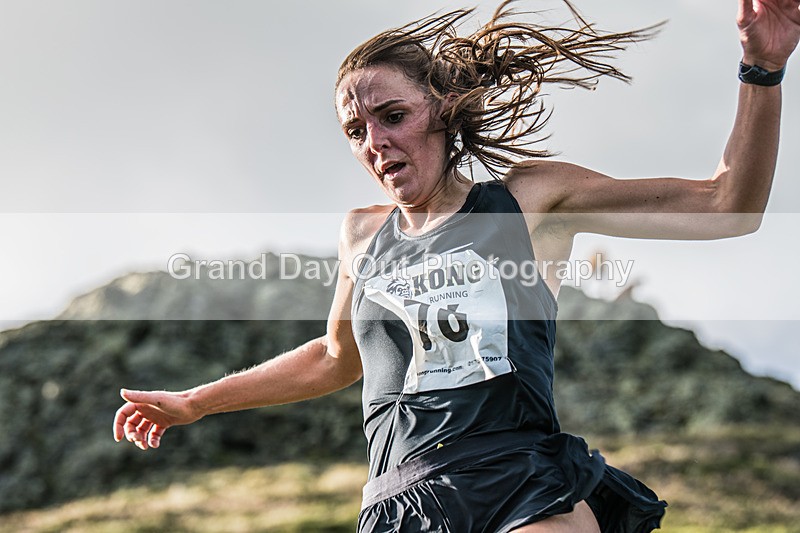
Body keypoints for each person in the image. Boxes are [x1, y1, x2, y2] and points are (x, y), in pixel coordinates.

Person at [113, 1, 799, 531]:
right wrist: (197, 401)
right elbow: (333, 356)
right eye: (357, 131)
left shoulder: (529, 199)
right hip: (398, 502)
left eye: (393, 115)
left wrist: (761, 69)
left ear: (442, 109)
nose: (376, 142)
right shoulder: (362, 234)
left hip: (522, 481)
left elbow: (727, 206)